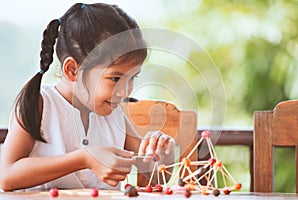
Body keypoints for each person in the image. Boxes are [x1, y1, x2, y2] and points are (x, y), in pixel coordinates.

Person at [0, 2, 174, 191]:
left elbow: (156, 175)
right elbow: (7, 176)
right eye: (115, 78)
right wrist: (85, 158)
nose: (125, 92)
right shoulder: (40, 105)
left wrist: (162, 153)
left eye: (132, 77)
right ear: (72, 69)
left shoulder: (114, 115)